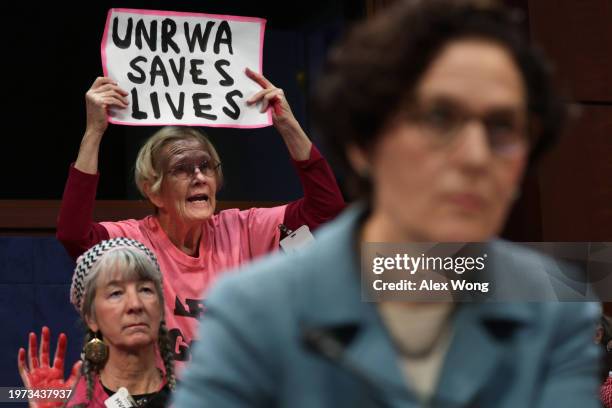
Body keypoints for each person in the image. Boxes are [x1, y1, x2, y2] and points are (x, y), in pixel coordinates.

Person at [172, 0, 600, 406]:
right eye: (439, 119)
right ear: (363, 143)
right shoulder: (252, 311)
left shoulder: (554, 310)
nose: (475, 156)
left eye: (503, 126)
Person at [56, 68, 345, 368]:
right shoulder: (134, 242)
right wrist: (94, 132)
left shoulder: (241, 229)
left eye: (206, 166)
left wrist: (288, 125)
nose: (199, 177)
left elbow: (326, 211)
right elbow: (74, 236)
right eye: (182, 168)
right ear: (153, 191)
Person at [71, 238, 174, 407]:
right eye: (116, 293)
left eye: (145, 290)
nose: (135, 304)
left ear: (161, 308)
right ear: (91, 318)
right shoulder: (75, 401)